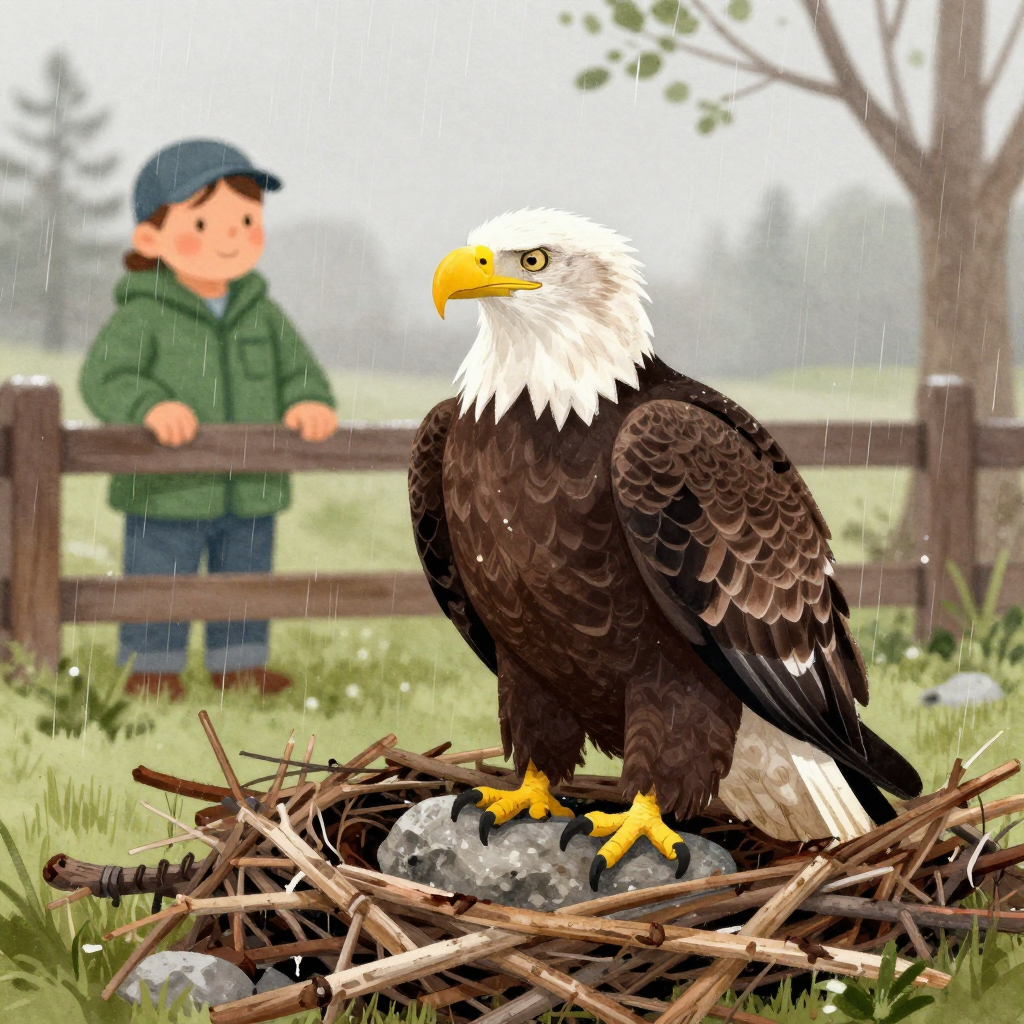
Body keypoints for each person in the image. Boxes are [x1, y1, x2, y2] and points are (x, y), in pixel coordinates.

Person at [80, 139, 337, 700]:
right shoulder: (144, 313)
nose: (231, 235)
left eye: (246, 219)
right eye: (203, 221)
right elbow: (106, 377)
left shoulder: (262, 315)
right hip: (164, 491)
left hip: (252, 489)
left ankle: (238, 666)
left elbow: (301, 372)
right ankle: (151, 669)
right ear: (150, 237)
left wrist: (307, 402)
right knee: (159, 582)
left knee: (244, 582)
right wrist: (149, 406)